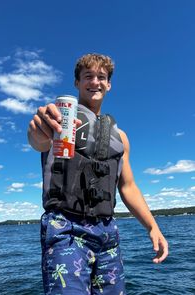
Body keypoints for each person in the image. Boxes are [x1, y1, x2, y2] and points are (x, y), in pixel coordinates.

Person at [28, 53, 168, 295]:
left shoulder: (120, 137)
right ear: (77, 83)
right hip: (66, 228)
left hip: (107, 231)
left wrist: (152, 227)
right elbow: (38, 141)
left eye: (101, 77)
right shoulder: (58, 118)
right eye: (88, 76)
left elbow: (128, 186)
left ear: (109, 84)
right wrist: (39, 131)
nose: (95, 81)